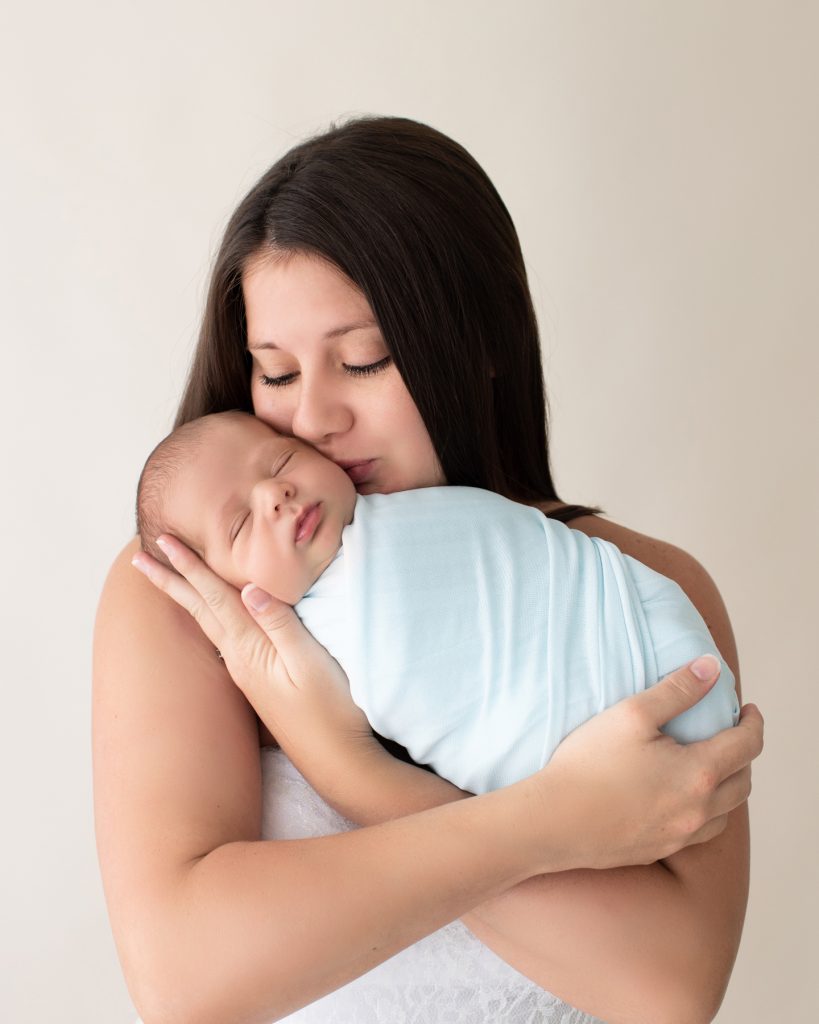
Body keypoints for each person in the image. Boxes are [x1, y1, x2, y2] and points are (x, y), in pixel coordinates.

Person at [93, 115, 763, 1024]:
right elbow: (186, 979)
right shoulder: (192, 597)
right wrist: (559, 820)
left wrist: (351, 767)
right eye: (276, 373)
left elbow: (668, 990)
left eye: (364, 359)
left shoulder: (630, 588)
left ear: (479, 342)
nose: (314, 419)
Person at [136, 409, 741, 795]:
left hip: (643, 624)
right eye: (240, 524)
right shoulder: (300, 656)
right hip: (567, 753)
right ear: (218, 593)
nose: (275, 492)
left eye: (281, 459)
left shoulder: (406, 513)